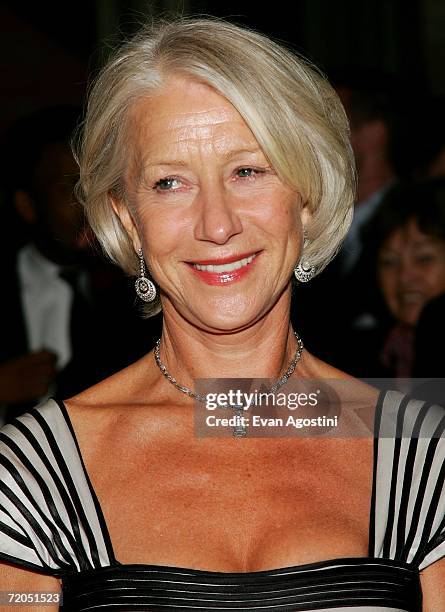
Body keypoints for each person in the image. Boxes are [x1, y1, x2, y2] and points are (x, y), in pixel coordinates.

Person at [0, 18, 444, 611]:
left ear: (306, 199)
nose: (217, 224)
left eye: (247, 171)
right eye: (170, 183)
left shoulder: (416, 451)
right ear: (127, 217)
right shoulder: (33, 472)